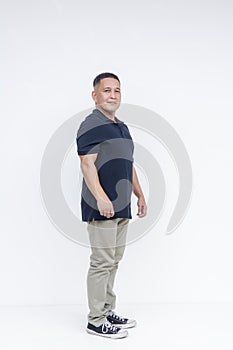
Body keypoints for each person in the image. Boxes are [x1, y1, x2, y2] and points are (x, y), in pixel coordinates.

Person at [76, 72, 147, 339]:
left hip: (122, 205)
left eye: (117, 90)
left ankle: (106, 310)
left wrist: (139, 195)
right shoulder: (90, 124)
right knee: (101, 262)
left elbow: (128, 165)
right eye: (107, 90)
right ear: (95, 96)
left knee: (114, 261)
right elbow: (86, 163)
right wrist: (101, 198)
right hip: (102, 206)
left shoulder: (121, 126)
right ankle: (95, 320)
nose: (112, 95)